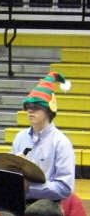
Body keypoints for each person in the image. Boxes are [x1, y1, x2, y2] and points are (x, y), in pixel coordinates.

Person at [11, 71, 75, 201]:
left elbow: (65, 188)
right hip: (19, 201)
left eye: (36, 107)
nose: (30, 110)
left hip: (48, 207)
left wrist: (29, 188)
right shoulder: (20, 137)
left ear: (49, 110)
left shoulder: (61, 142)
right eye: (28, 106)